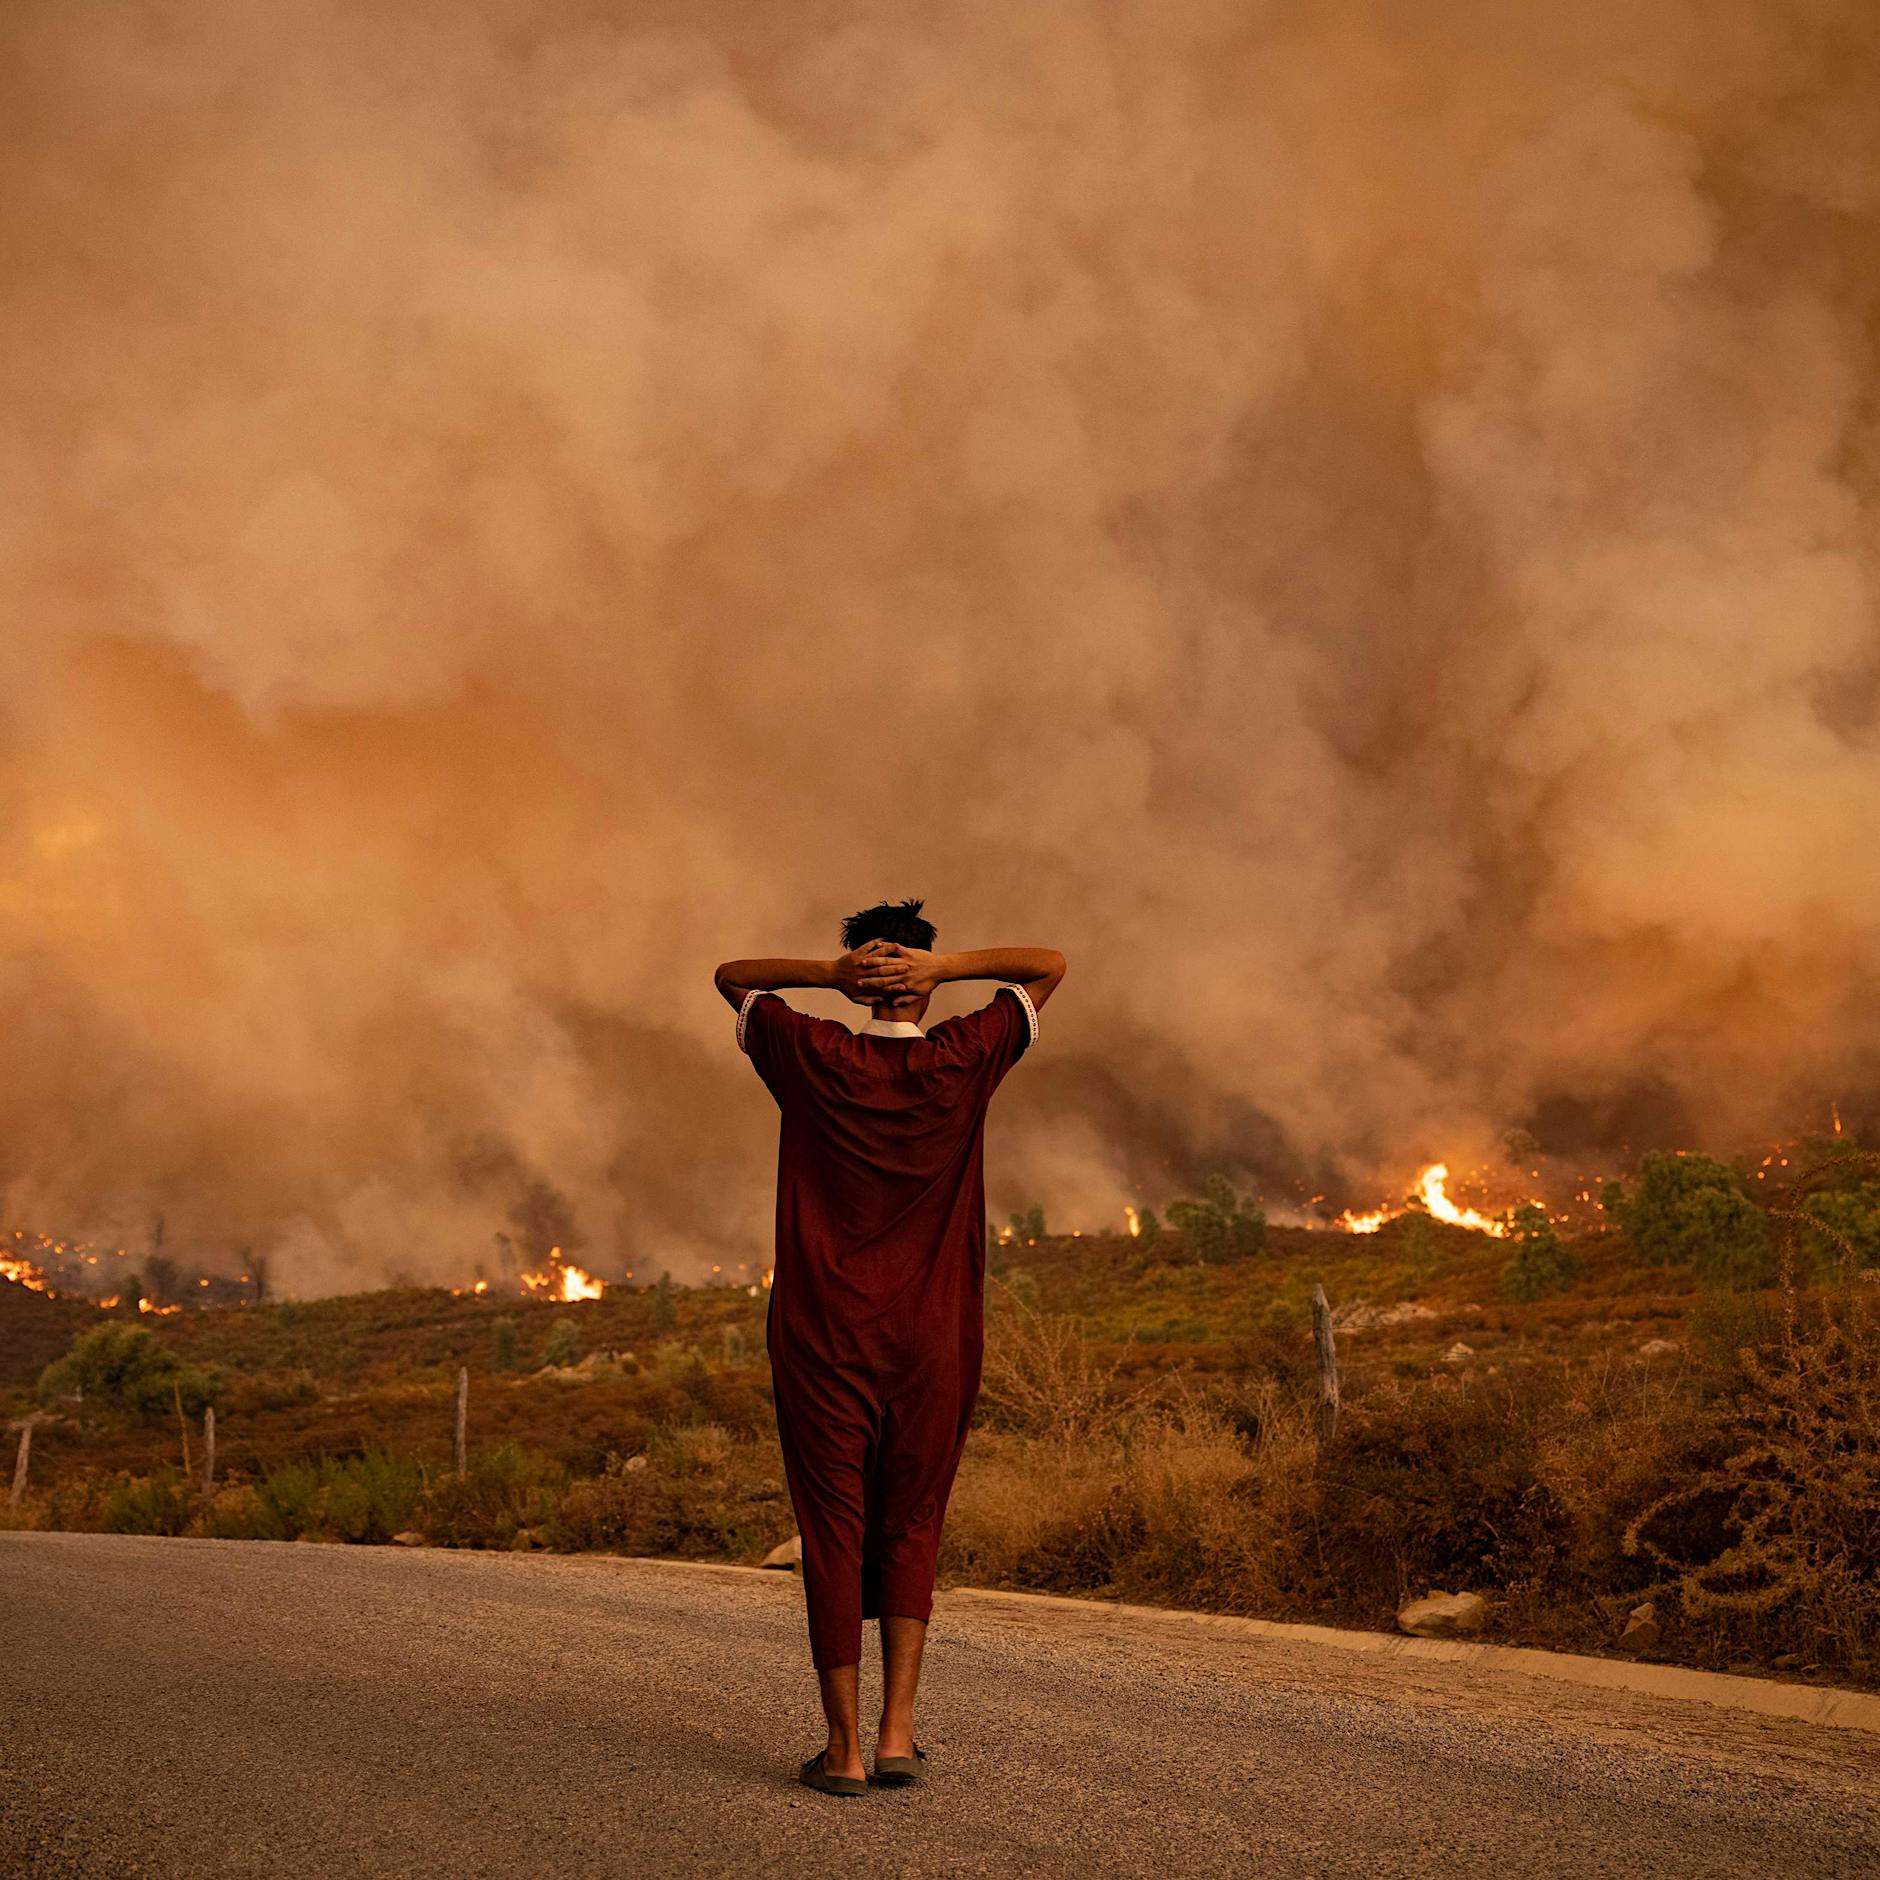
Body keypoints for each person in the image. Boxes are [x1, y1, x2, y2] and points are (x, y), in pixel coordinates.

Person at [714, 898, 1067, 1796]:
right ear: (920, 973)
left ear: (865, 978)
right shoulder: (966, 1056)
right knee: (913, 1522)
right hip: (933, 1339)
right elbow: (1049, 964)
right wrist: (949, 972)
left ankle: (843, 1754)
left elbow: (730, 978)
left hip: (823, 1336)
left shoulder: (811, 1054)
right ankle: (899, 1736)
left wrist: (828, 978)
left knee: (832, 1530)